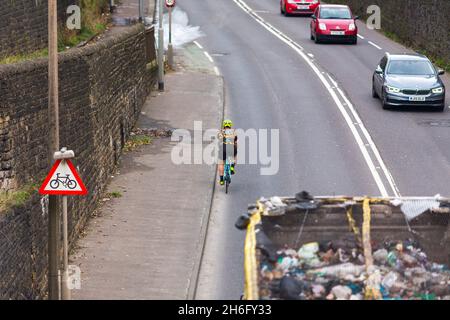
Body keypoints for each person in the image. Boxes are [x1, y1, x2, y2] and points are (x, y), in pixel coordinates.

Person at [218, 119, 237, 186]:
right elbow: (236, 142)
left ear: (224, 125)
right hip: (231, 148)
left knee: (221, 163)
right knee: (234, 155)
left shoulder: (221, 132)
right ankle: (232, 166)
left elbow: (219, 141)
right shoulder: (233, 132)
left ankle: (221, 180)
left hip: (223, 148)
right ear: (230, 125)